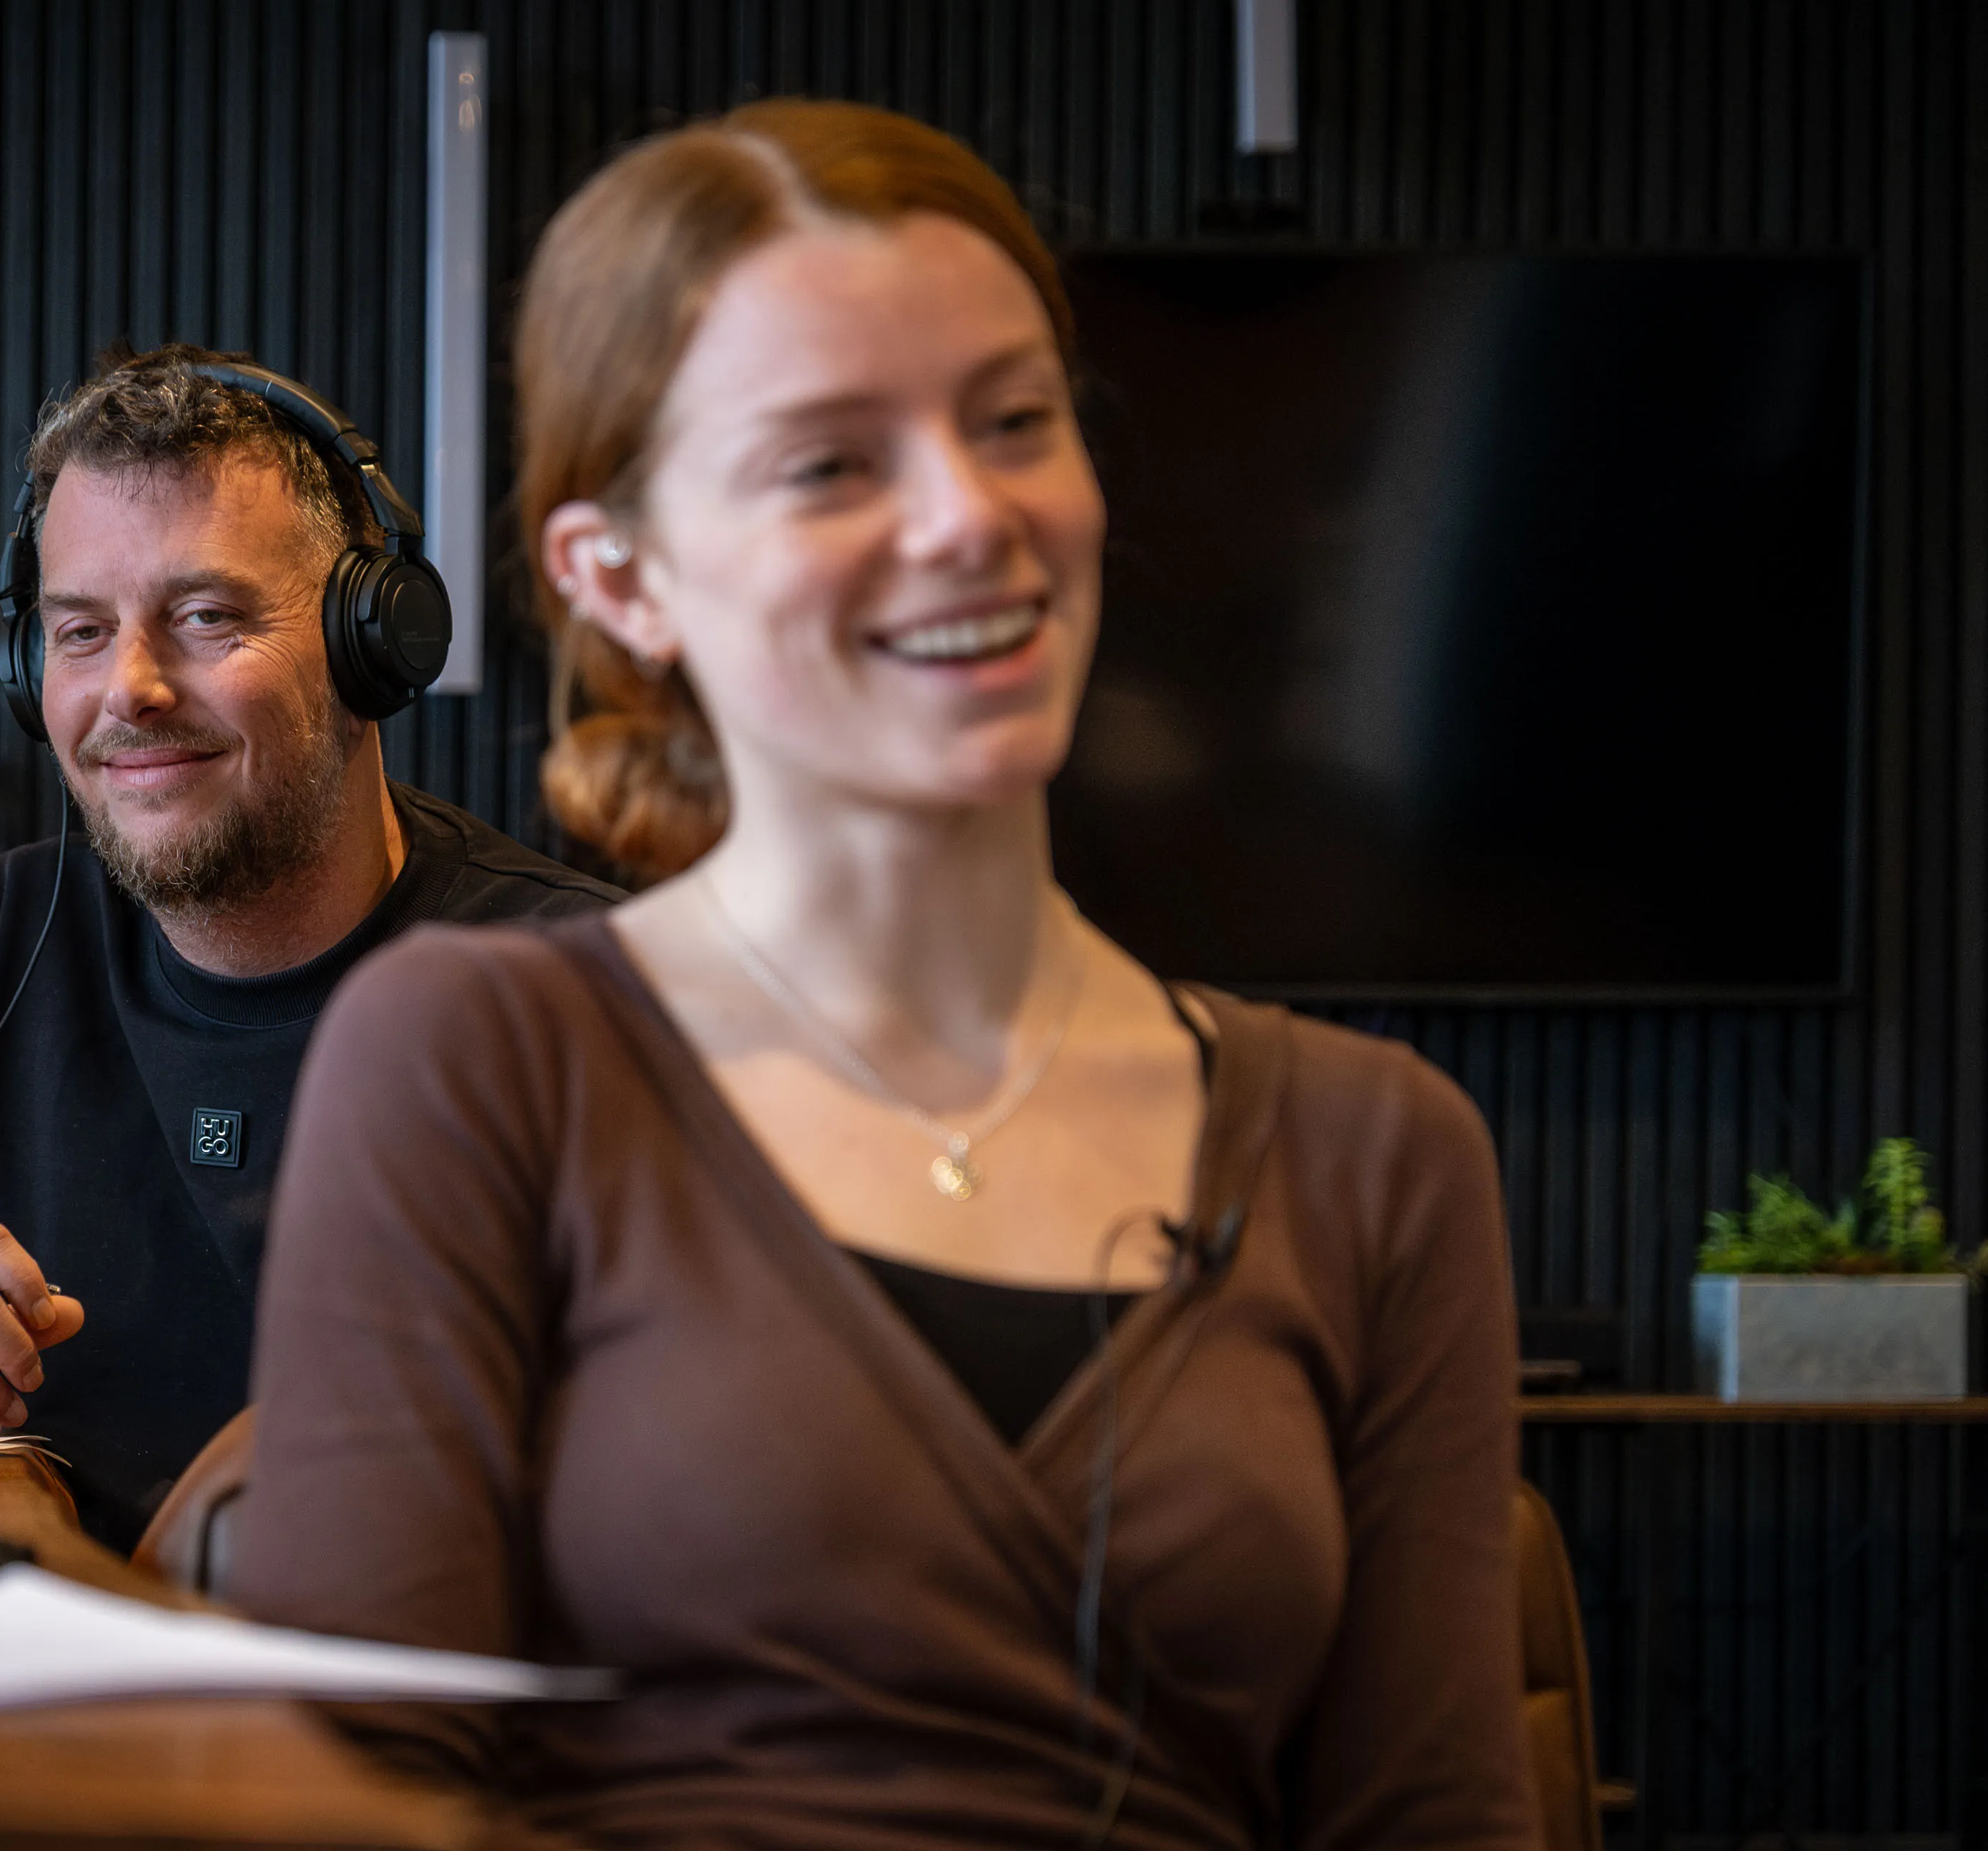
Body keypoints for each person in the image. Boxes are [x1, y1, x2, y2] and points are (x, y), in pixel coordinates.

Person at [228, 102, 1539, 1849]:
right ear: (620, 576)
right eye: (832, 463)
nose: (968, 517)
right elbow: (352, 1804)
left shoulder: (1383, 1153)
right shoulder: (483, 1057)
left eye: (1016, 421)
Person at [0, 344, 618, 1551]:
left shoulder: (578, 997)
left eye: (205, 618)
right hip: (28, 1707)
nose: (129, 688)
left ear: (372, 647)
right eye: (81, 631)